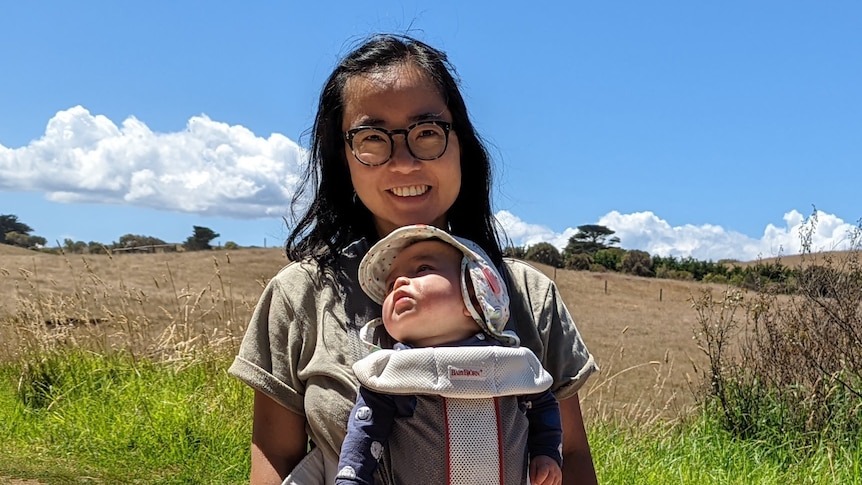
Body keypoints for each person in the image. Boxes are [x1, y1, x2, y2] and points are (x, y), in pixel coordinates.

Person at [228, 33, 599, 485]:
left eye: (427, 132)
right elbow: (275, 453)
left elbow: (571, 452)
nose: (403, 162)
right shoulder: (298, 295)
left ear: (461, 142)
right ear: (342, 157)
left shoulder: (529, 294)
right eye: (372, 138)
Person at [335, 224, 562, 485]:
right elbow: (365, 432)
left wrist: (547, 453)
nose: (399, 282)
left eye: (422, 269)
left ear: (477, 296)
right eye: (388, 288)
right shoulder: (394, 372)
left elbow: (543, 406)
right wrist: (352, 478)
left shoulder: (512, 363)